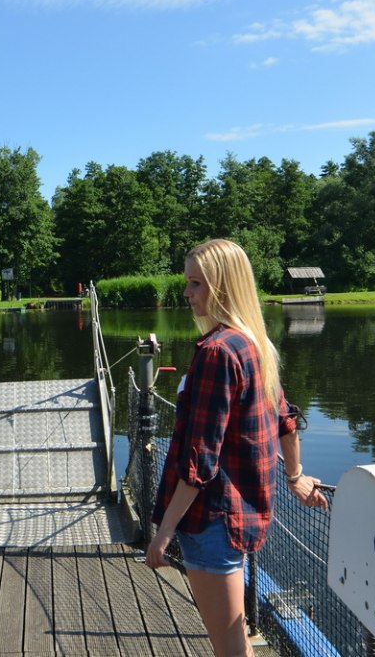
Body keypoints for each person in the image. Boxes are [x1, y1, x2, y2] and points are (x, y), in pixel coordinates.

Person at [145, 239, 328, 657]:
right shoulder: (254, 343)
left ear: (223, 287)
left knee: (227, 648)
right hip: (243, 518)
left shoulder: (216, 352)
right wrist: (295, 478)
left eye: (196, 283)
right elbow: (286, 421)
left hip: (211, 520)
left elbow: (200, 460)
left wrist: (165, 531)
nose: (187, 293)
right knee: (237, 639)